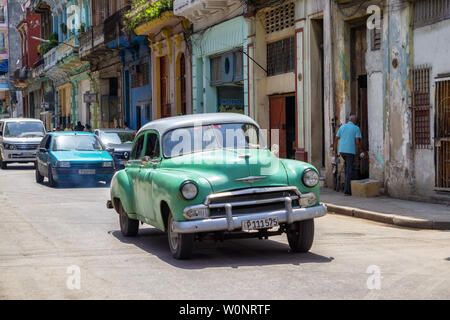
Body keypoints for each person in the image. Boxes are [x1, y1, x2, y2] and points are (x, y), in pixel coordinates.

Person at [333, 115, 368, 196]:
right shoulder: (356, 128)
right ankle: (347, 191)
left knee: (346, 168)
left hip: (342, 151)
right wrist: (364, 151)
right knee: (349, 171)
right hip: (350, 152)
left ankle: (346, 187)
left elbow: (336, 140)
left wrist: (335, 152)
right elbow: (358, 142)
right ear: (354, 121)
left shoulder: (342, 127)